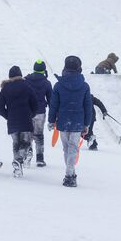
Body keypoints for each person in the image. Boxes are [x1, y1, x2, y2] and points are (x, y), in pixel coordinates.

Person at [48, 56, 92, 187]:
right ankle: (70, 174)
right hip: (78, 121)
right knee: (73, 148)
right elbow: (87, 106)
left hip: (62, 121)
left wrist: (51, 120)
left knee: (66, 148)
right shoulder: (84, 86)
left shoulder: (58, 85)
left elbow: (53, 105)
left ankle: (69, 174)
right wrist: (87, 123)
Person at [0, 66, 38, 177]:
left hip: (13, 121)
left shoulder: (5, 88)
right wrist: (31, 114)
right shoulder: (27, 86)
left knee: (16, 144)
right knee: (26, 143)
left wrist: (8, 116)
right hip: (26, 120)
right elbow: (35, 104)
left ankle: (17, 168)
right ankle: (18, 161)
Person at [24, 59, 52, 167]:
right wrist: (53, 117)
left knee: (27, 134)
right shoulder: (46, 83)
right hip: (40, 112)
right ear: (44, 70)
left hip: (28, 111)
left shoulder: (26, 80)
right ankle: (40, 159)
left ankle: (28, 153)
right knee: (39, 135)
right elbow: (51, 100)